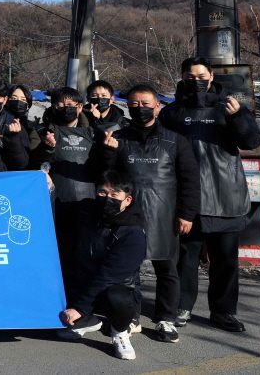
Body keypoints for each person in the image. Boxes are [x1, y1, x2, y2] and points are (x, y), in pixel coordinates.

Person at [89, 84, 200, 342]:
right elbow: (104, 177)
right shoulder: (118, 138)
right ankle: (131, 316)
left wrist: (187, 214)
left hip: (166, 213)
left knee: (167, 268)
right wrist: (107, 152)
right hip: (128, 214)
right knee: (129, 270)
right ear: (127, 106)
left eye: (146, 103)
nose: (141, 108)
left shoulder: (175, 140)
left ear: (157, 105)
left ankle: (165, 319)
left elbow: (190, 180)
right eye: (135, 104)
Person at [159, 57, 260, 333]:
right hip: (186, 198)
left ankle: (224, 311)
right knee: (184, 258)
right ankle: (181, 307)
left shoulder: (229, 106)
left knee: (226, 261)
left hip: (225, 194)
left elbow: (252, 142)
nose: (196, 80)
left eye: (201, 75)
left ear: (211, 75)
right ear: (182, 77)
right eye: (190, 76)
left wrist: (238, 116)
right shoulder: (171, 113)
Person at [57, 171, 146, 362]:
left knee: (118, 298)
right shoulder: (86, 210)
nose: (107, 199)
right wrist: (46, 186)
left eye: (115, 195)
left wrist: (79, 308)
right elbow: (56, 207)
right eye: (103, 193)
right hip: (80, 282)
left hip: (112, 289)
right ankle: (88, 320)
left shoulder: (133, 235)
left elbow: (108, 277)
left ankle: (120, 331)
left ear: (128, 200)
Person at [28, 86, 94, 270]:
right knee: (58, 254)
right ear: (53, 107)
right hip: (53, 202)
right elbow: (32, 164)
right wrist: (47, 148)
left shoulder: (93, 133)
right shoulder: (40, 132)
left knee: (85, 255)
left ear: (80, 107)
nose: (67, 108)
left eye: (71, 104)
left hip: (88, 200)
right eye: (61, 104)